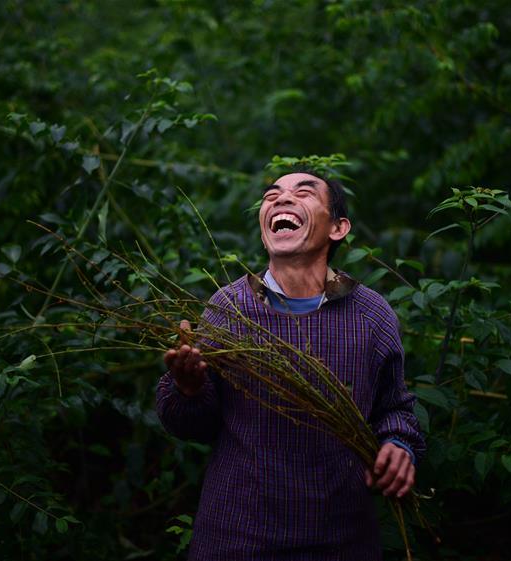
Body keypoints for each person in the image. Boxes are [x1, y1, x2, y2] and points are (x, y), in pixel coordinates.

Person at [156, 170, 425, 560]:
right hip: (237, 537)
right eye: (271, 195)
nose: (280, 199)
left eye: (303, 192)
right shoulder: (229, 309)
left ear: (337, 227)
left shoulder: (371, 315)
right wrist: (188, 388)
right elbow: (190, 425)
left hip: (342, 539)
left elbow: (395, 410)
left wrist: (399, 445)